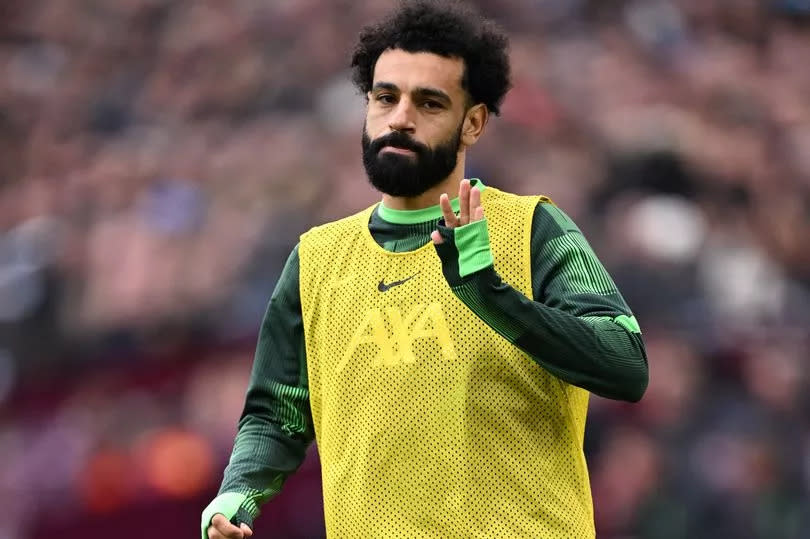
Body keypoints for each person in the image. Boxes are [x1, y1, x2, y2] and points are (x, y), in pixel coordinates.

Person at [202, 1, 648, 537]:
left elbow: (626, 364)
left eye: (430, 103)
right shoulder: (316, 260)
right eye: (385, 97)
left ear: (473, 123)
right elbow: (277, 414)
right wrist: (237, 493)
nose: (400, 118)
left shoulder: (534, 229)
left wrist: (487, 293)